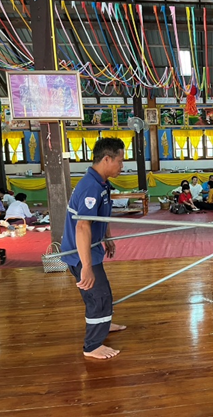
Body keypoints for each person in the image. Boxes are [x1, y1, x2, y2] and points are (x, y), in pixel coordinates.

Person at [61, 137, 127, 360]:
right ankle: (92, 346)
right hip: (81, 253)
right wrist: (86, 267)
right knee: (98, 297)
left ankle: (103, 325)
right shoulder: (91, 187)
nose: (122, 166)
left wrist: (106, 236)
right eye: (120, 161)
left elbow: (100, 216)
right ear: (107, 159)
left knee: (102, 293)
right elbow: (82, 226)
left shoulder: (101, 183)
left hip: (93, 248)